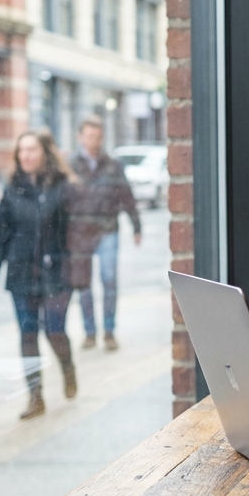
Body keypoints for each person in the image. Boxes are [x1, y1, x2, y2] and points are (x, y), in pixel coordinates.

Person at [0, 131, 77, 420]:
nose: (25, 155)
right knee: (27, 333)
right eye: (21, 151)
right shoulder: (12, 188)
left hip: (56, 272)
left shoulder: (63, 187)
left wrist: (76, 267)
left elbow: (76, 233)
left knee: (54, 329)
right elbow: (1, 232)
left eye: (31, 150)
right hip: (21, 271)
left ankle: (67, 367)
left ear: (44, 153)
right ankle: (35, 397)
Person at [67, 116, 141, 351]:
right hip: (80, 234)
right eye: (89, 136)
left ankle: (109, 331)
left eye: (98, 137)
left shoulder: (113, 164)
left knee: (109, 280)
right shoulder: (70, 165)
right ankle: (90, 333)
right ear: (81, 137)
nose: (94, 141)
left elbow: (127, 195)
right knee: (84, 285)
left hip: (107, 229)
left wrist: (136, 226)